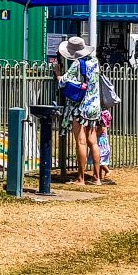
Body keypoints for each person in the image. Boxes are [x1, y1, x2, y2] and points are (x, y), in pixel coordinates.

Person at [54, 36, 103, 185]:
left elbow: (64, 82)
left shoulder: (77, 63)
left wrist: (58, 73)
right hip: (94, 106)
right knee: (93, 142)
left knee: (81, 142)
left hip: (80, 107)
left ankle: (80, 178)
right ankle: (97, 177)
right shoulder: (95, 62)